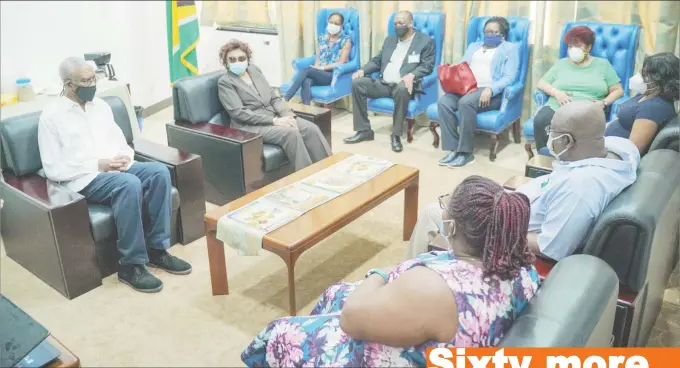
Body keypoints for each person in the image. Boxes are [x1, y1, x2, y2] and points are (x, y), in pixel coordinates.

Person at [241, 176, 539, 367]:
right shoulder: (520, 264)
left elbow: (350, 321)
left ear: (451, 227)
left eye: (446, 206)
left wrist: (381, 273)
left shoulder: (435, 290)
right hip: (443, 334)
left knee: (281, 331)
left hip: (392, 351)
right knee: (335, 292)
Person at [406, 101, 639, 262]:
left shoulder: (580, 188)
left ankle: (407, 282)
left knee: (432, 214)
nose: (549, 137)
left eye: (552, 132)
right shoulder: (619, 148)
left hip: (506, 227)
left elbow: (552, 248)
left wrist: (494, 231)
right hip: (513, 205)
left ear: (567, 140)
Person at [38, 57, 192, 293]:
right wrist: (98, 165)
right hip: (83, 179)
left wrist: (123, 159)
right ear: (68, 84)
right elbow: (53, 168)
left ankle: (157, 249)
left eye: (93, 78)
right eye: (85, 81)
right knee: (128, 184)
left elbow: (121, 143)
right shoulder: (52, 116)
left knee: (159, 172)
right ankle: (130, 265)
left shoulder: (101, 106)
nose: (92, 84)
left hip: (115, 169)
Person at [218, 39, 332, 171]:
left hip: (275, 116)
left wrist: (289, 116)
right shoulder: (225, 82)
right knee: (291, 134)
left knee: (310, 128)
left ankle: (329, 169)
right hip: (250, 125)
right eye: (232, 60)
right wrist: (274, 121)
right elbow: (239, 113)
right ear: (226, 62)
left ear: (247, 59)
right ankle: (306, 177)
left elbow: (274, 97)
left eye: (241, 58)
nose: (237, 62)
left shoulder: (254, 72)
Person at [344, 10, 435, 153]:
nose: (397, 26)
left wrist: (413, 74)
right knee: (357, 83)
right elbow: (378, 61)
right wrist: (363, 70)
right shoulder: (390, 40)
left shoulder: (425, 41)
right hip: (384, 83)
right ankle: (364, 130)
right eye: (395, 23)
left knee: (402, 87)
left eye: (401, 23)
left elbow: (427, 66)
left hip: (403, 86)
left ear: (410, 23)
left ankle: (396, 135)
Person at [438, 16, 519, 168]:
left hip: (489, 93)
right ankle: (453, 148)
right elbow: (463, 66)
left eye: (495, 32)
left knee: (465, 102)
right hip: (467, 88)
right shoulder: (474, 46)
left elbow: (509, 77)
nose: (490, 35)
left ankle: (466, 153)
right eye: (487, 31)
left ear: (503, 35)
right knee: (444, 102)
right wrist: (452, 70)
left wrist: (490, 89)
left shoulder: (510, 48)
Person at [533, 26, 624, 151]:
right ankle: (545, 158)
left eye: (578, 46)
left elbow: (618, 90)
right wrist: (556, 93)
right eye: (570, 46)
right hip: (559, 106)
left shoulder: (602, 65)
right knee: (541, 120)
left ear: (589, 47)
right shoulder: (562, 64)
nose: (573, 50)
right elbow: (541, 83)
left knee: (579, 130)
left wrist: (603, 103)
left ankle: (575, 163)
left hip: (587, 109)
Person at [605, 52, 679, 153]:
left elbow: (632, 149)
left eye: (644, 75)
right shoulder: (646, 94)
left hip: (611, 154)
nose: (639, 77)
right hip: (604, 142)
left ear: (659, 80)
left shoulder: (654, 108)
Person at [283, 12, 352, 105]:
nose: (333, 25)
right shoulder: (322, 38)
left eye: (336, 23)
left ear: (341, 26)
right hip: (319, 73)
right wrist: (316, 68)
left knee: (306, 70)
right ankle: (307, 110)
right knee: (306, 80)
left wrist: (322, 68)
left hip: (332, 75)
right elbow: (318, 58)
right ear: (328, 23)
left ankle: (286, 98)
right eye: (331, 22)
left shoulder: (346, 40)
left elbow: (342, 62)